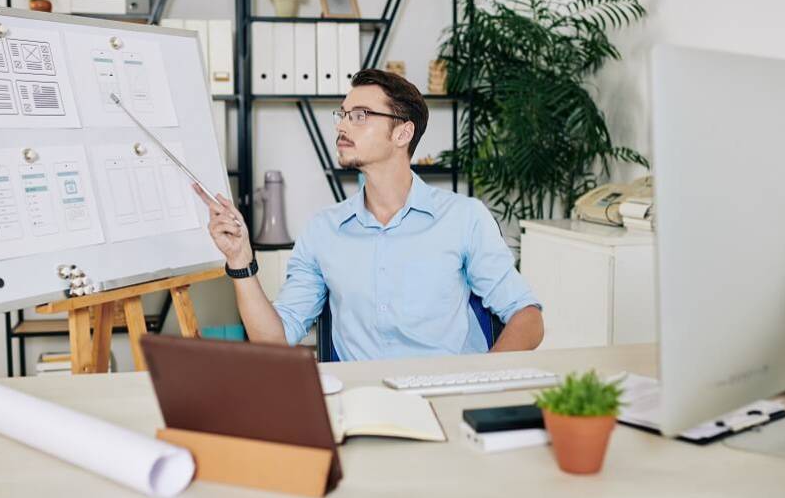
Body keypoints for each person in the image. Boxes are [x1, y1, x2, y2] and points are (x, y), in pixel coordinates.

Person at [196, 68, 543, 360]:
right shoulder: (323, 230)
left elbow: (527, 317)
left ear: (402, 133)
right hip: (361, 399)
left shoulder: (464, 218)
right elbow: (273, 339)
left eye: (360, 116)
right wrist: (241, 262)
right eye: (343, 114)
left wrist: (478, 382)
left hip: (443, 393)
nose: (342, 126)